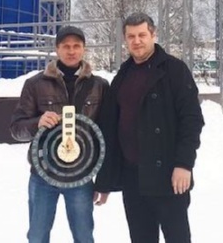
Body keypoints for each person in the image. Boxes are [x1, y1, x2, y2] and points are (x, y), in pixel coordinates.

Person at [94, 12, 204, 243]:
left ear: (153, 35)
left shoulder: (174, 70)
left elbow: (192, 120)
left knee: (178, 238)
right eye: (131, 36)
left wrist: (184, 164)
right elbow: (111, 132)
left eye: (142, 35)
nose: (137, 41)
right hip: (133, 177)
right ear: (125, 39)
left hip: (169, 176)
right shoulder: (122, 76)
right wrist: (105, 180)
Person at [10, 25, 109, 243]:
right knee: (37, 236)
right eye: (66, 46)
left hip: (81, 175)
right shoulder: (35, 84)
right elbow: (16, 129)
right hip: (43, 174)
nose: (71, 51)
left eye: (76, 46)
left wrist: (105, 180)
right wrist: (37, 122)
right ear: (57, 49)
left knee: (84, 236)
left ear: (84, 49)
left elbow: (106, 135)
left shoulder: (99, 86)